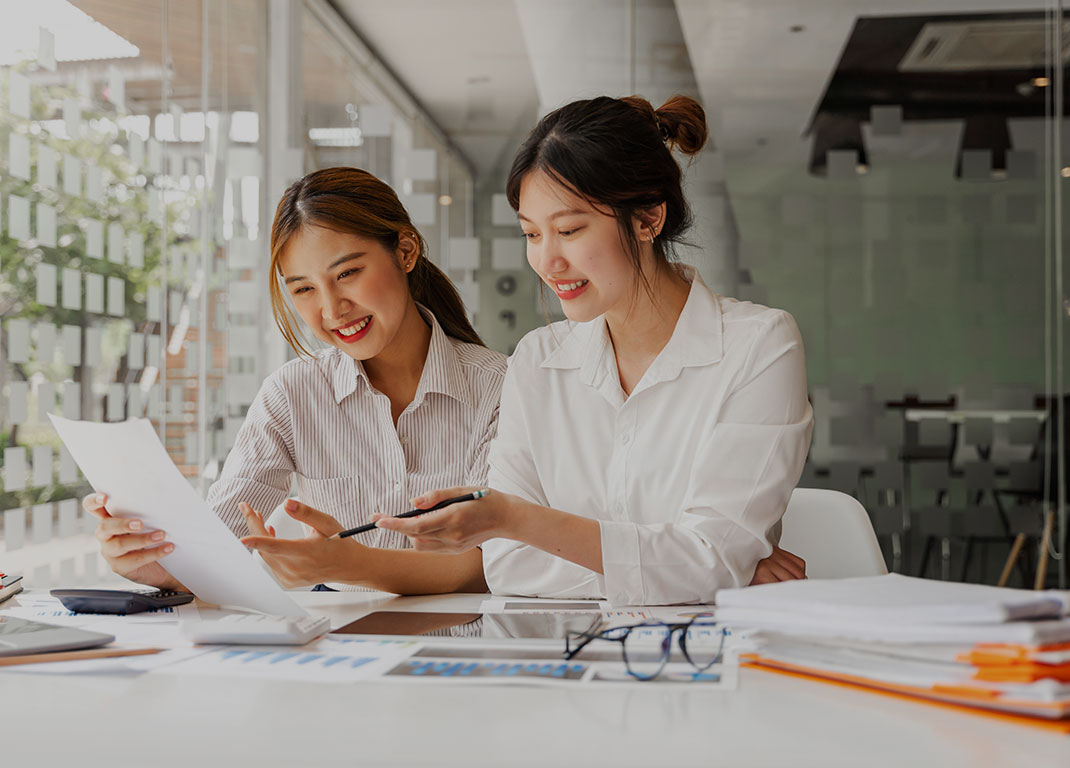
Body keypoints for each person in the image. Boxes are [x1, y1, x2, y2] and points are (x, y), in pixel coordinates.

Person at [374, 95, 813, 604]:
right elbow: (507, 564)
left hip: (708, 660)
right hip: (564, 660)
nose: (547, 261)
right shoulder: (537, 359)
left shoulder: (759, 346)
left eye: (568, 230)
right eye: (531, 234)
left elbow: (710, 558)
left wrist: (522, 522)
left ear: (648, 218)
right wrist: (695, 569)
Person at [83, 167, 506, 594]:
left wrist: (349, 566)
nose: (333, 309)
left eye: (347, 274)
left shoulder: (499, 388)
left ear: (406, 251)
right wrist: (142, 558)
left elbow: (490, 564)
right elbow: (214, 549)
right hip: (341, 655)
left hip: (465, 652)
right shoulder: (292, 394)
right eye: (304, 289)